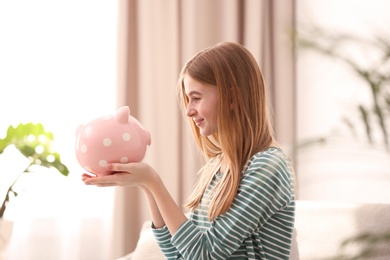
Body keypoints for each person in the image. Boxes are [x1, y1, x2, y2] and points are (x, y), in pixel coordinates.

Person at [82, 41, 296, 259]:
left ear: (232, 97)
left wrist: (154, 182)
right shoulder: (217, 167)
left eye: (196, 98)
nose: (189, 111)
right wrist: (145, 185)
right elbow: (178, 255)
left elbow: (204, 254)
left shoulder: (268, 166)